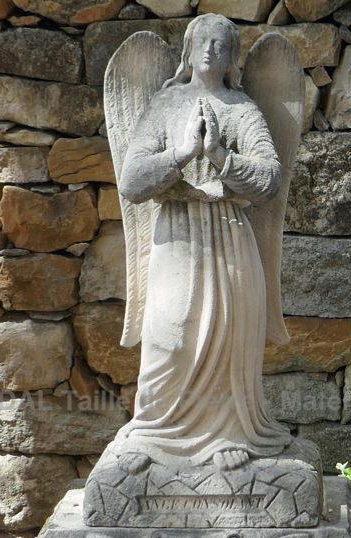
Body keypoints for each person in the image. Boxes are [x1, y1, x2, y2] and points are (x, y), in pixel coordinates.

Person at [113, 14, 292, 471]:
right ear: (188, 51)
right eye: (202, 41)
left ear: (233, 56)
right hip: (176, 235)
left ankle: (227, 433)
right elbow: (132, 182)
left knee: (230, 338)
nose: (211, 50)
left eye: (221, 43)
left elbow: (269, 181)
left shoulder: (242, 109)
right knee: (169, 338)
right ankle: (153, 430)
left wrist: (218, 155)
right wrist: (182, 153)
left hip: (230, 236)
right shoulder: (166, 105)